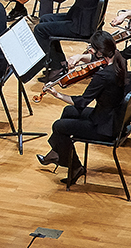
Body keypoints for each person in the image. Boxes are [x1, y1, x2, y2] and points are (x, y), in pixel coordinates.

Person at [40, 31, 124, 186]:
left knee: (58, 126)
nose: (89, 49)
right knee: (67, 112)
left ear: (100, 52)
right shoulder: (118, 59)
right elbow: (94, 59)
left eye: (92, 48)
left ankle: (75, 167)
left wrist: (57, 94)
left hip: (105, 127)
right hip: (112, 116)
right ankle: (57, 152)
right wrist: (80, 57)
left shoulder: (103, 76)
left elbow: (82, 102)